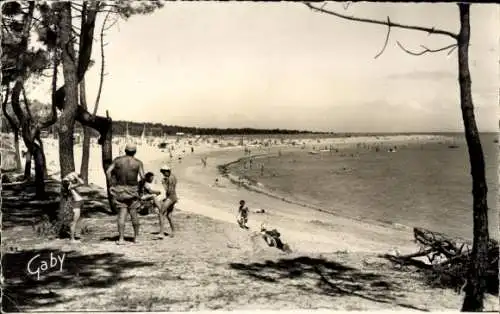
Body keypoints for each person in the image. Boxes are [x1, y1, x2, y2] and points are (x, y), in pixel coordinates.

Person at [106, 143, 145, 245]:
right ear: (135, 152)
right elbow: (143, 177)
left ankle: (121, 239)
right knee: (134, 214)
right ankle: (136, 238)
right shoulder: (138, 163)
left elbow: (108, 171)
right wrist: (140, 188)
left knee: (122, 214)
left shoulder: (117, 160)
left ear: (125, 150)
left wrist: (111, 184)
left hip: (119, 189)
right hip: (132, 190)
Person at [62, 172, 85, 242]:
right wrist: (76, 177)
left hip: (78, 203)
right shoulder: (70, 186)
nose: (71, 179)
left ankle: (73, 237)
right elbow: (82, 182)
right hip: (76, 204)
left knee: (75, 221)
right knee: (73, 222)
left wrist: (72, 176)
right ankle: (72, 239)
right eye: (69, 179)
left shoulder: (71, 186)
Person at [158, 165, 178, 238]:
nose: (163, 174)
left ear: (167, 171)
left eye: (164, 172)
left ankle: (161, 232)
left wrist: (164, 184)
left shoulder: (169, 179)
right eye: (162, 172)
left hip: (170, 197)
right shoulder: (173, 177)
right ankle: (173, 232)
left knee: (160, 212)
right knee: (169, 215)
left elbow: (169, 190)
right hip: (174, 197)